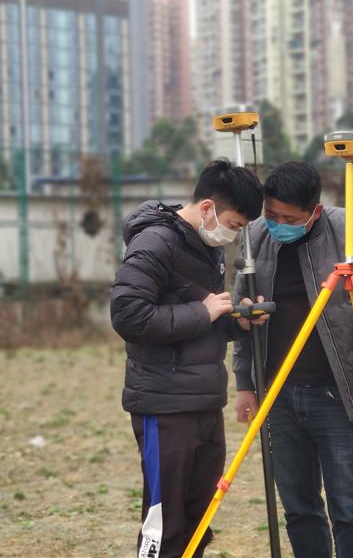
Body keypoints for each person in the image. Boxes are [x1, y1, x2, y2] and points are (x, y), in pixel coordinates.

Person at [233, 161, 353, 558]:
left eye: (289, 219)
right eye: (272, 215)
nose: (278, 224)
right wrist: (245, 383)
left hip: (339, 393)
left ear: (315, 211)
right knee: (299, 508)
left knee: (350, 509)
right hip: (278, 394)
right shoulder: (255, 236)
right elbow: (242, 315)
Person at [111, 160, 265, 558]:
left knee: (198, 518)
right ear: (208, 207)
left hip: (204, 400)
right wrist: (204, 312)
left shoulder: (204, 247)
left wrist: (236, 322)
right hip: (164, 403)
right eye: (233, 224)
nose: (233, 235)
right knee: (164, 521)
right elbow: (128, 316)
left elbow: (199, 319)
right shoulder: (155, 243)